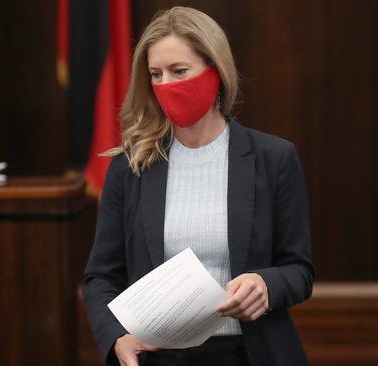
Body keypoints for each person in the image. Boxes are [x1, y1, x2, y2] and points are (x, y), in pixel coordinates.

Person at [82, 6, 314, 366]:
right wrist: (116, 338)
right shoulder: (130, 167)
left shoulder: (274, 158)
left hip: (250, 354)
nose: (166, 85)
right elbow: (100, 277)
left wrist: (266, 284)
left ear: (215, 71)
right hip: (162, 357)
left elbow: (299, 270)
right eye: (155, 75)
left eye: (179, 71)